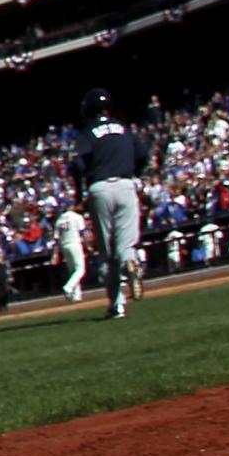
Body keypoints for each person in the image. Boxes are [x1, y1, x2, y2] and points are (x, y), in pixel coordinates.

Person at [72, 88, 147, 319]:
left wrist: (79, 192)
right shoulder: (124, 128)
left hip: (100, 189)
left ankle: (117, 305)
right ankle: (130, 264)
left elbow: (77, 164)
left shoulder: (88, 132)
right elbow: (143, 153)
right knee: (126, 244)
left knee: (106, 253)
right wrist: (134, 174)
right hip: (126, 185)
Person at [56, 201, 90, 303]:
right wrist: (88, 246)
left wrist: (56, 252)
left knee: (73, 271)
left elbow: (57, 238)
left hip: (64, 245)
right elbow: (83, 233)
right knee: (80, 269)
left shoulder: (59, 219)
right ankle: (68, 287)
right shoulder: (77, 217)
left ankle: (76, 295)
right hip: (74, 243)